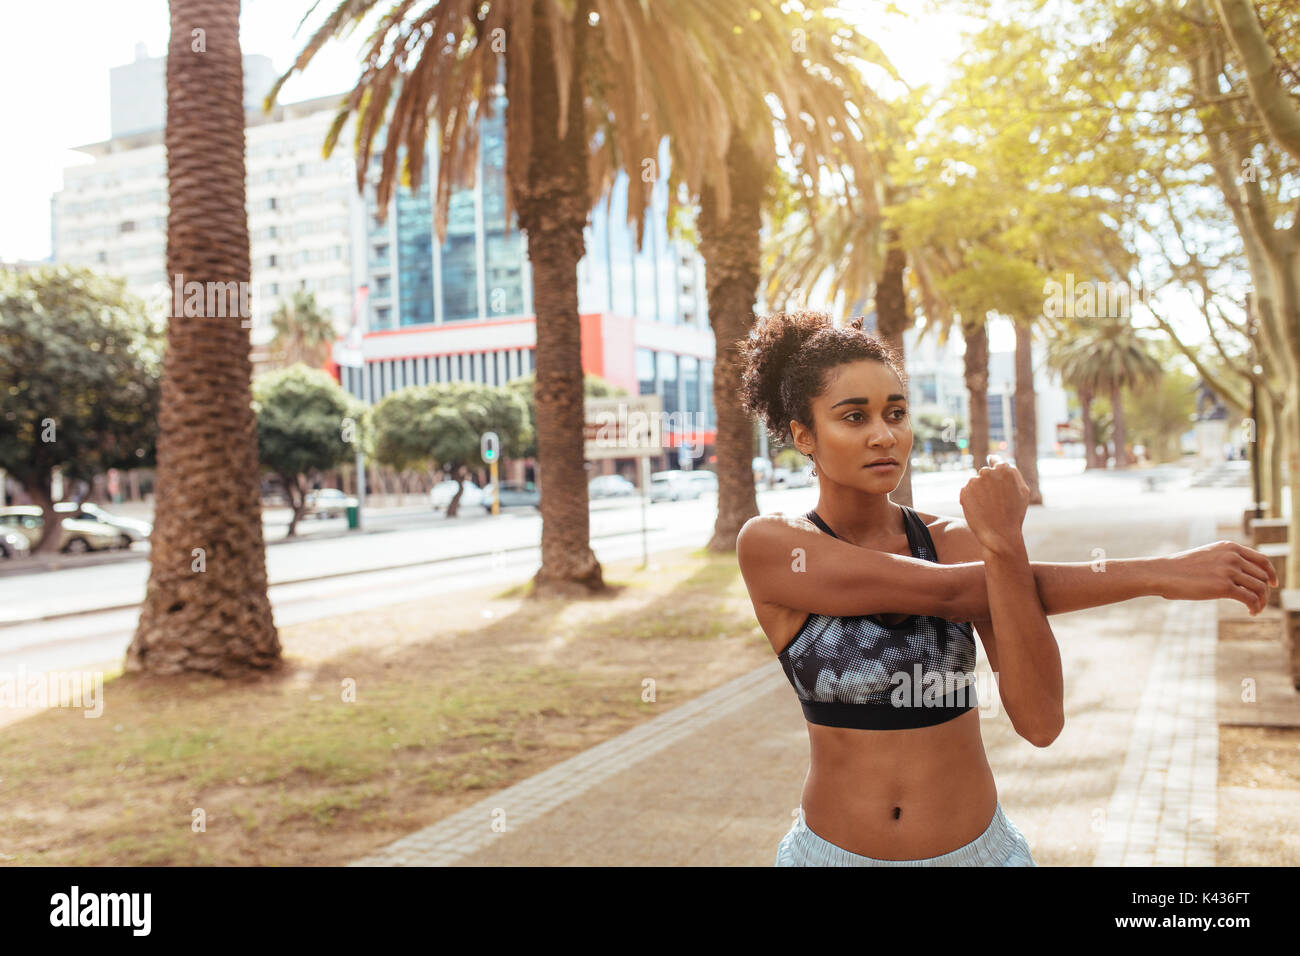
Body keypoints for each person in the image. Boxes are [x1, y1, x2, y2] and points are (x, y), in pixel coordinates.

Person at [734, 310, 1278, 867]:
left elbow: (1041, 723)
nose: (884, 435)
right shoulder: (775, 546)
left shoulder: (957, 541)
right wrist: (1158, 574)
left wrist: (1004, 546)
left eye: (895, 413)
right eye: (854, 417)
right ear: (804, 434)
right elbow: (949, 595)